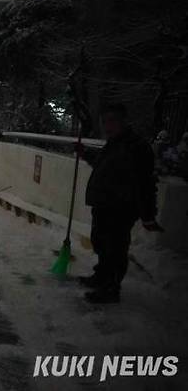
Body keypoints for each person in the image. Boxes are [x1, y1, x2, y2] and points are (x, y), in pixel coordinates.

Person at [78, 104, 163, 304]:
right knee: (100, 242)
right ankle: (101, 277)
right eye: (105, 121)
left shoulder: (136, 146)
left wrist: (148, 215)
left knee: (114, 248)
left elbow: (146, 182)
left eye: (113, 120)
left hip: (121, 207)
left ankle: (111, 288)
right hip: (104, 204)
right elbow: (102, 163)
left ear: (124, 121)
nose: (108, 125)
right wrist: (85, 153)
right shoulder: (114, 143)